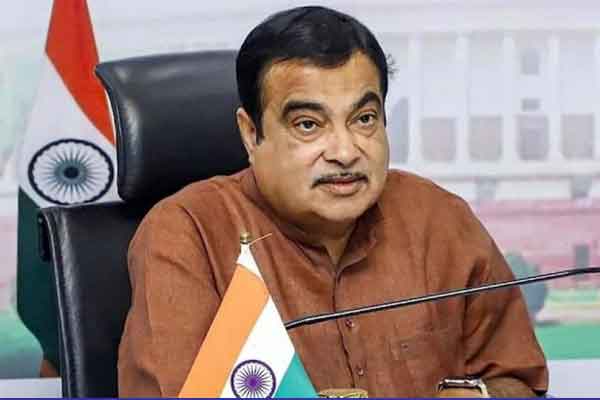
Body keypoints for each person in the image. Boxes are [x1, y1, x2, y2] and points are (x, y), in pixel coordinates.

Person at [118, 6, 548, 398]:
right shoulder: (188, 234)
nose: (345, 151)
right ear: (251, 134)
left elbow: (520, 381)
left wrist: (481, 395)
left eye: (364, 119)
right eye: (309, 125)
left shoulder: (439, 218)